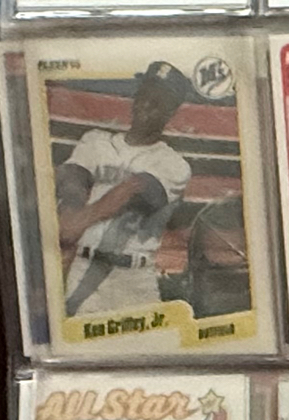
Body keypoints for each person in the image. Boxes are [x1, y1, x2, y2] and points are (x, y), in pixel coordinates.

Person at [57, 61, 193, 317]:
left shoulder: (174, 164)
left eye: (158, 101)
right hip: (83, 266)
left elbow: (136, 188)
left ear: (171, 111)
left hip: (134, 280)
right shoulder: (95, 140)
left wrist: (80, 221)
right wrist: (71, 214)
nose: (146, 105)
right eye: (143, 96)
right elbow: (73, 179)